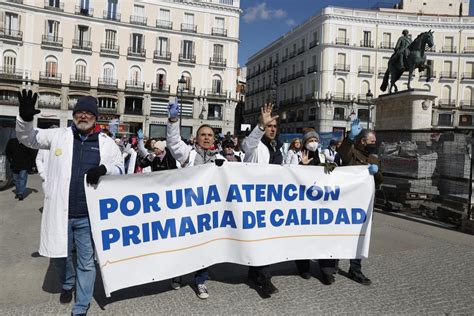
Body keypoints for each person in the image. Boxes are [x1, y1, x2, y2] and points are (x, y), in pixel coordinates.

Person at [15, 89, 124, 316]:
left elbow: (120, 169)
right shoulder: (58, 136)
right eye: (79, 112)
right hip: (60, 213)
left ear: (95, 117)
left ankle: (81, 304)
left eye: (88, 113)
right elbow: (28, 138)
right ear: (74, 115)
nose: (83, 116)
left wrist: (105, 169)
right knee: (58, 256)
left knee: (86, 261)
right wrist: (25, 119)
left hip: (87, 216)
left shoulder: (106, 143)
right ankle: (67, 283)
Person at [166, 99, 225, 299]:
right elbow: (173, 143)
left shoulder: (222, 160)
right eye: (203, 135)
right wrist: (174, 120)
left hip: (208, 214)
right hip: (187, 209)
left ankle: (201, 281)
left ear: (214, 139)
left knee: (204, 249)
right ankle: (177, 274)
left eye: (210, 135)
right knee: (182, 245)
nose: (207, 138)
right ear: (196, 138)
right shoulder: (188, 154)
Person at [241, 104, 281, 298]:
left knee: (264, 241)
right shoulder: (256, 147)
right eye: (269, 125)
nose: (272, 129)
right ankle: (265, 280)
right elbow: (246, 145)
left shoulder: (278, 147)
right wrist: (259, 126)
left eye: (274, 126)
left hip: (272, 203)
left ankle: (253, 273)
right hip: (255, 202)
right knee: (261, 241)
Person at [336, 118, 383, 286]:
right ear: (363, 141)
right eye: (372, 141)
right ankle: (332, 263)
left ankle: (355, 269)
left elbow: (380, 179)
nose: (374, 144)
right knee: (340, 234)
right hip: (347, 204)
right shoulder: (352, 153)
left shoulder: (373, 158)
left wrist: (376, 173)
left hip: (365, 205)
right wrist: (349, 138)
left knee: (360, 238)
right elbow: (343, 153)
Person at [296, 129, 337, 284]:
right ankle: (303, 267)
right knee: (304, 238)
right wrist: (301, 166)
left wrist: (331, 168)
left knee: (325, 237)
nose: (313, 142)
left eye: (315, 139)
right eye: (310, 140)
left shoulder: (323, 156)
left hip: (322, 204)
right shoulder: (299, 156)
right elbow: (290, 177)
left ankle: (326, 270)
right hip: (304, 205)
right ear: (305, 142)